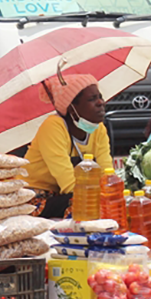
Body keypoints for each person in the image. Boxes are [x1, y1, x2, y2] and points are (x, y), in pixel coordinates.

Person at [24, 74, 111, 218]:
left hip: (71, 194)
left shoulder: (99, 129)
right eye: (92, 99)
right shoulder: (53, 127)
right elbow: (69, 184)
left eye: (100, 97)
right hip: (36, 197)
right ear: (72, 108)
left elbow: (107, 174)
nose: (100, 102)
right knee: (83, 205)